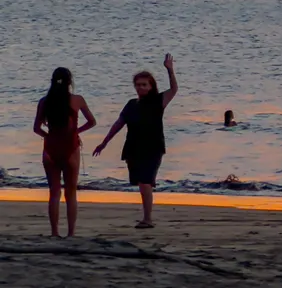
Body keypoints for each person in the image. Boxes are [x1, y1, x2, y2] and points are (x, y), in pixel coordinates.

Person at [94, 54, 179, 229]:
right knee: (141, 182)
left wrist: (170, 70)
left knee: (145, 182)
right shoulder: (131, 104)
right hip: (133, 147)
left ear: (151, 86)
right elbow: (119, 124)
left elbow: (174, 89)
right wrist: (104, 142)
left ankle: (148, 219)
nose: (140, 87)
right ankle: (146, 217)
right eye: (138, 85)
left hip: (153, 147)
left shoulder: (158, 101)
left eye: (144, 85)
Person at [33, 67, 96, 238]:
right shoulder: (77, 100)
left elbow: (36, 128)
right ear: (69, 82)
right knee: (71, 192)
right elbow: (92, 122)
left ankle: (54, 233)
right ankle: (71, 233)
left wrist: (49, 136)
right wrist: (76, 132)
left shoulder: (44, 101)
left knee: (54, 192)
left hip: (51, 147)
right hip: (70, 146)